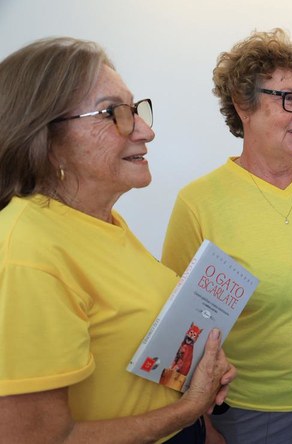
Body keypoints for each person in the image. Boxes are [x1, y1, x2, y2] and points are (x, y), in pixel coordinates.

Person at [0, 37, 234, 443]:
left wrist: (197, 373)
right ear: (47, 138)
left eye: (135, 109)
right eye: (113, 113)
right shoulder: (29, 255)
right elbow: (42, 438)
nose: (146, 130)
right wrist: (189, 409)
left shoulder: (101, 219)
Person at [161, 28, 292, 444]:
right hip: (253, 409)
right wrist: (204, 421)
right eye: (289, 99)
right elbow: (182, 329)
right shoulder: (199, 202)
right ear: (243, 105)